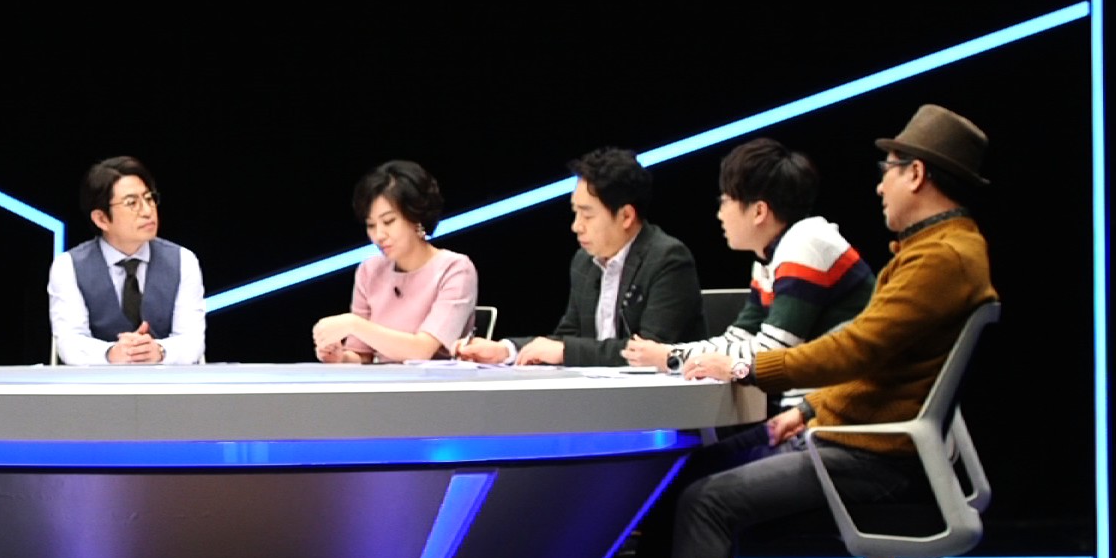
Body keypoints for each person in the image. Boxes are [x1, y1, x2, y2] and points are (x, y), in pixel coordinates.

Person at [578, 104, 996, 558]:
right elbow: (881, 365)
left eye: (887, 171)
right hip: (850, 432)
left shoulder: (942, 258)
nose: (879, 186)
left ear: (916, 174)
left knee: (707, 501)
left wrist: (753, 372)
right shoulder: (930, 250)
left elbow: (852, 350)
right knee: (686, 473)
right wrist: (808, 408)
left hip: (875, 457)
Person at [622, 137, 874, 379]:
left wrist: (672, 357)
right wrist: (670, 354)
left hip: (849, 396)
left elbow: (770, 354)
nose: (720, 214)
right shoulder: (771, 257)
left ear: (759, 211)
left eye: (725, 201)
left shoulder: (805, 244)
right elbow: (739, 338)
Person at [457, 147, 703, 367]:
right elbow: (567, 337)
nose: (576, 226)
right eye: (575, 213)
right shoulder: (584, 261)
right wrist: (507, 350)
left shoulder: (668, 259)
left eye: (587, 215)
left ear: (626, 216)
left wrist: (565, 351)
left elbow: (649, 351)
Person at [312, 160, 477, 362]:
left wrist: (354, 324)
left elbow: (421, 351)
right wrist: (340, 357)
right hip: (382, 381)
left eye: (388, 221)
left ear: (416, 218)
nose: (378, 235)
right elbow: (362, 356)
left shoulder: (455, 269)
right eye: (371, 225)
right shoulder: (369, 271)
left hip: (434, 381)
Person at [48, 156, 206, 364]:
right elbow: (70, 341)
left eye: (149, 199)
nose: (147, 211)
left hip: (167, 380)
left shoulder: (183, 260)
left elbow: (192, 339)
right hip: (97, 381)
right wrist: (111, 353)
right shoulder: (68, 267)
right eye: (132, 203)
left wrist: (159, 351)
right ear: (101, 219)